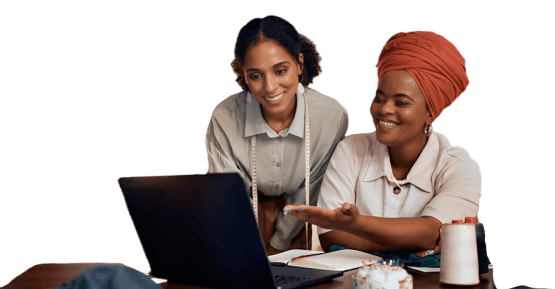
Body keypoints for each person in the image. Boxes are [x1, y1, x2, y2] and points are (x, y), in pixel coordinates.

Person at [284, 31, 481, 257]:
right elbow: (330, 235)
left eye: (401, 102)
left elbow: (429, 230)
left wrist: (357, 224)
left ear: (430, 113)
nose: (384, 109)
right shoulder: (351, 149)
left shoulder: (460, 166)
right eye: (379, 98)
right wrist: (414, 245)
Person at [205, 15, 349, 256]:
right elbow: (230, 198)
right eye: (256, 76)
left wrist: (278, 244)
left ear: (299, 64)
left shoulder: (332, 117)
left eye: (280, 70)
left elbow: (312, 188)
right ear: (244, 74)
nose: (270, 87)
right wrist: (251, 255)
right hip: (244, 219)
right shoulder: (224, 117)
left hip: (301, 218)